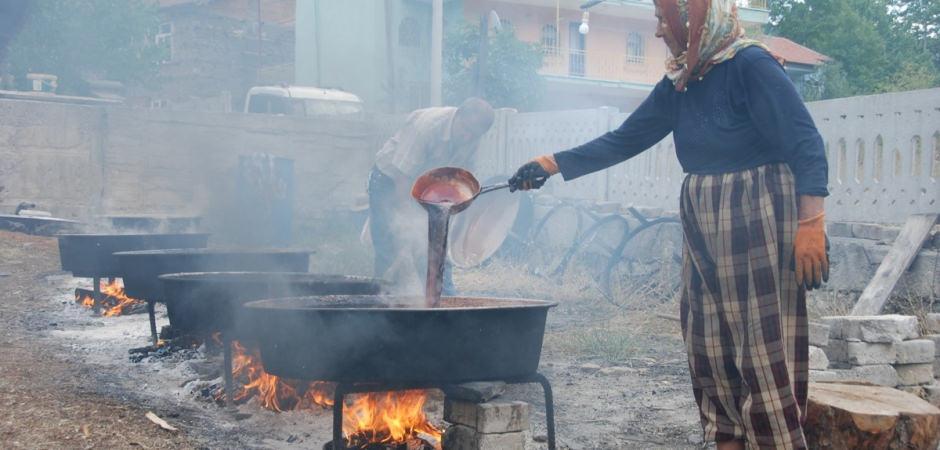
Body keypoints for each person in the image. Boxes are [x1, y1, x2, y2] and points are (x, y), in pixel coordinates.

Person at [509, 1, 829, 449]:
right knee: (708, 346)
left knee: (761, 350)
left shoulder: (750, 64)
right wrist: (552, 163)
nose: (659, 31)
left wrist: (811, 220)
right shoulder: (683, 80)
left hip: (756, 210)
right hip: (702, 211)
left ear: (692, 18)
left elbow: (806, 141)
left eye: (663, 19)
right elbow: (627, 137)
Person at [369, 97, 495, 293]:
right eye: (467, 131)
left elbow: (462, 183)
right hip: (390, 179)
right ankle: (385, 305)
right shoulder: (427, 126)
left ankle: (443, 302)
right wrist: (407, 225)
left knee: (436, 248)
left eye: (475, 135)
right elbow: (402, 179)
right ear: (458, 116)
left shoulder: (473, 138)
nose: (469, 138)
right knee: (390, 245)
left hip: (429, 187)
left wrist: (448, 225)